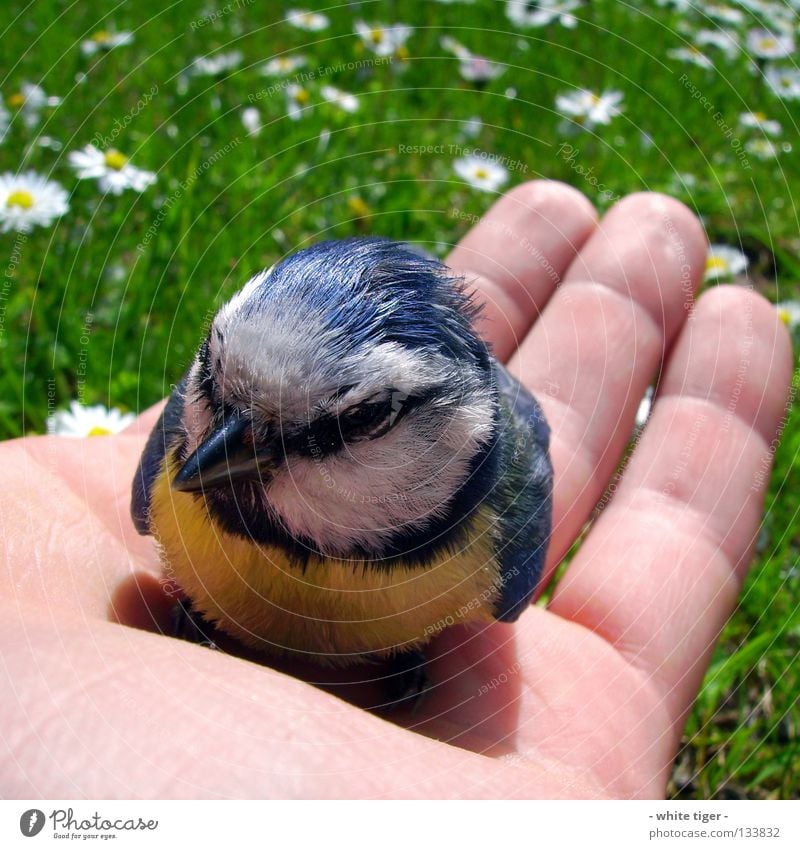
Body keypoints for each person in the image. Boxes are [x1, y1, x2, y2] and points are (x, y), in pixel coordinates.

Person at [0, 182, 791, 798]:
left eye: (345, 424)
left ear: (451, 435)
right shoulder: (189, 463)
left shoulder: (497, 529)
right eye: (212, 376)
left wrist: (413, 649)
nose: (210, 453)